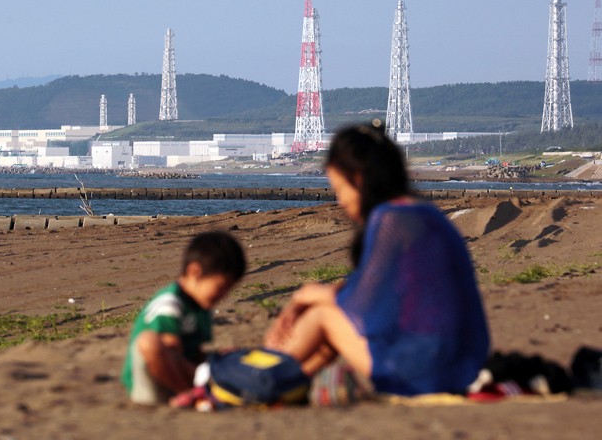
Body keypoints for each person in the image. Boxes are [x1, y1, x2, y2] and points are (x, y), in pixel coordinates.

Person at [265, 120, 490, 396]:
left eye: (339, 190)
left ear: (358, 179)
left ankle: (257, 377)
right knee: (326, 330)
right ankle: (284, 386)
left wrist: (306, 296)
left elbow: (363, 306)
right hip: (461, 363)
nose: (340, 201)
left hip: (426, 368)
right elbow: (374, 288)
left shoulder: (391, 219)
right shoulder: (421, 213)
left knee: (322, 316)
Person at [121, 231, 246, 404]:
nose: (223, 296)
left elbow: (196, 352)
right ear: (194, 272)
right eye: (220, 287)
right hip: (152, 384)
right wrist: (204, 375)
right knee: (150, 342)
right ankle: (193, 393)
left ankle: (199, 391)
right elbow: (170, 352)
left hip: (183, 371)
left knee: (230, 356)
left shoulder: (201, 307)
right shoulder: (169, 305)